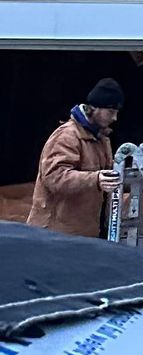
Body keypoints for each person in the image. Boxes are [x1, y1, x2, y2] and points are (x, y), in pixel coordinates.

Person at [26, 78, 123, 238]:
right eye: (111, 112)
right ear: (95, 108)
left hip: (82, 233)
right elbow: (54, 177)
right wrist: (95, 179)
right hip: (55, 233)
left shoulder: (101, 139)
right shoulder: (67, 136)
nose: (115, 118)